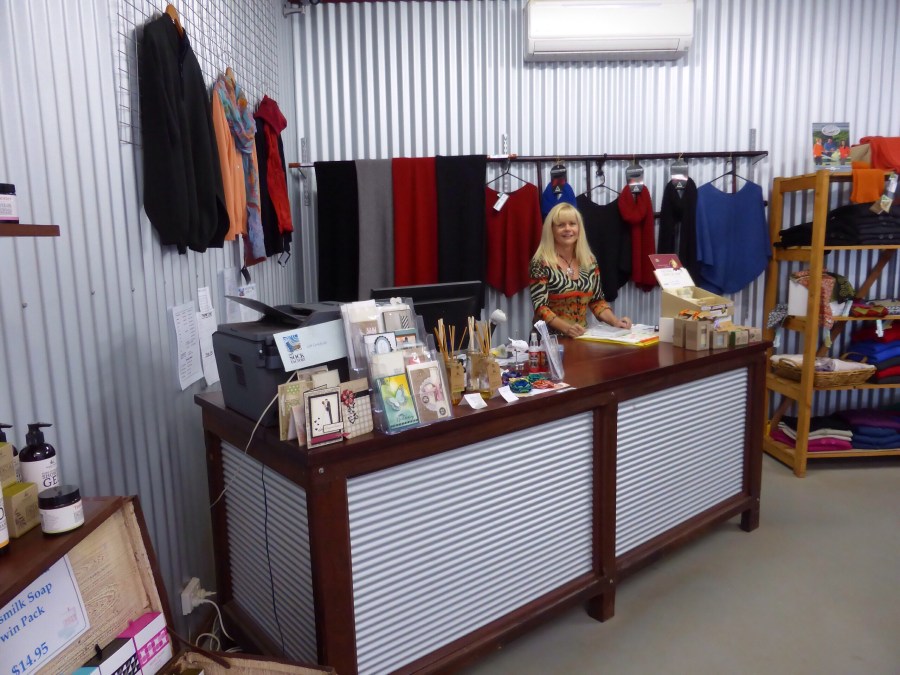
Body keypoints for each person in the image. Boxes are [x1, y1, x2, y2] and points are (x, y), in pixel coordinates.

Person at [529, 203, 632, 338]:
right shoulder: (541, 262)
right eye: (561, 225)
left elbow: (597, 301)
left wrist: (615, 322)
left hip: (581, 337)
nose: (568, 229)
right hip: (549, 340)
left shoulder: (589, 261)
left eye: (572, 224)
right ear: (551, 230)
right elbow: (541, 307)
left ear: (579, 228)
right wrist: (567, 329)